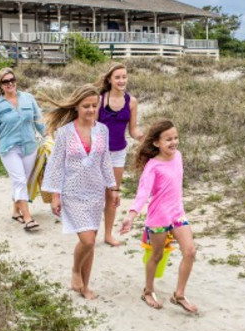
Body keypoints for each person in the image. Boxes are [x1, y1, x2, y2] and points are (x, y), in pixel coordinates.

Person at [41, 83, 119, 300]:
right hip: (72, 193)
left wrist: (113, 189)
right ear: (77, 106)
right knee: (88, 241)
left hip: (95, 193)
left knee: (91, 242)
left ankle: (85, 286)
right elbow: (55, 164)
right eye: (86, 106)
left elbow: (105, 162)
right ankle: (75, 271)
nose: (91, 110)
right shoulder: (64, 133)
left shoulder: (102, 130)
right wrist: (55, 195)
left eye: (94, 106)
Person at [120, 119, 198, 313]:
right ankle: (148, 290)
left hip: (177, 213)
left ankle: (179, 295)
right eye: (168, 139)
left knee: (190, 251)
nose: (174, 142)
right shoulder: (152, 167)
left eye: (176, 138)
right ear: (156, 143)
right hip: (158, 217)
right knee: (156, 255)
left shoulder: (178, 156)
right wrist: (131, 216)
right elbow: (142, 193)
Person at [0, 67, 45, 232]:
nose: (10, 83)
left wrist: (49, 136)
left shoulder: (28, 98)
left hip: (30, 146)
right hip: (9, 148)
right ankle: (27, 218)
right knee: (20, 181)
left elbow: (39, 120)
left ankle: (16, 211)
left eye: (12, 80)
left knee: (23, 180)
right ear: (0, 85)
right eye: (5, 81)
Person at [94, 62, 145, 246]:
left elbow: (133, 130)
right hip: (98, 154)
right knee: (96, 195)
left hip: (118, 153)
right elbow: (91, 127)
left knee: (112, 195)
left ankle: (108, 235)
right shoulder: (100, 100)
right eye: (118, 77)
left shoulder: (131, 102)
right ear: (110, 79)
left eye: (124, 76)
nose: (122, 80)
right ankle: (89, 232)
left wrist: (143, 137)